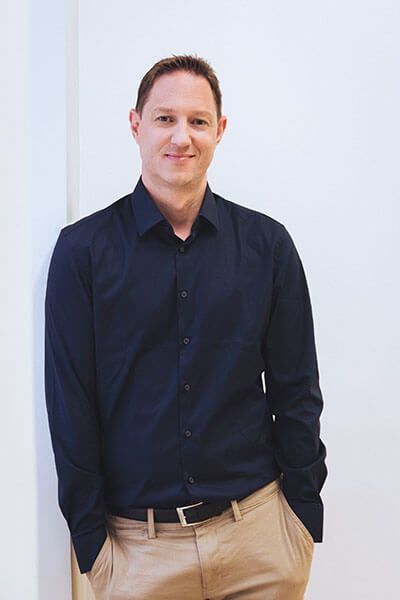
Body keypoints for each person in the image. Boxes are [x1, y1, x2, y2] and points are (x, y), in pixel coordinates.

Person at [44, 54, 328, 600]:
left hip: (259, 544)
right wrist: (92, 546)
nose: (182, 137)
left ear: (220, 130)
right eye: (164, 118)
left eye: (198, 121)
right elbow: (70, 405)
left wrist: (301, 519)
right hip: (137, 554)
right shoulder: (83, 252)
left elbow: (297, 391)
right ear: (136, 125)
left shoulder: (267, 246)